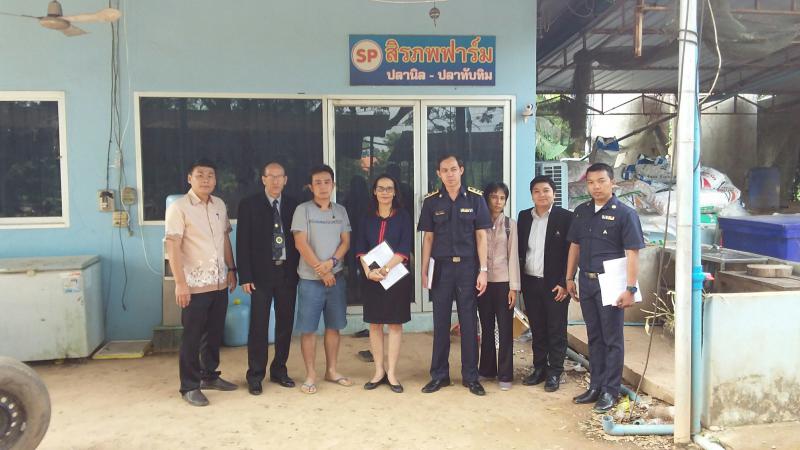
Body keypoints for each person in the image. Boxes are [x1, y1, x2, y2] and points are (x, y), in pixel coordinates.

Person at [565, 163, 645, 413]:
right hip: (586, 281)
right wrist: (569, 277)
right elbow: (575, 246)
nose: (596, 187)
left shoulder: (625, 214)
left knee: (612, 339)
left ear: (613, 183)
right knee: (594, 336)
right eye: (591, 182)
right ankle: (596, 386)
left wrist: (630, 289)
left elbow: (633, 253)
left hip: (611, 282)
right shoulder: (581, 211)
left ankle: (610, 391)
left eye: (601, 181)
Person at [164, 158, 238, 407]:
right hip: (194, 285)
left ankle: (209, 376)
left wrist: (232, 269)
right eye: (200, 175)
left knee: (214, 333)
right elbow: (172, 246)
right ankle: (189, 386)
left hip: (219, 282)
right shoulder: (179, 208)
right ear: (189, 178)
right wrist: (180, 283)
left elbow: (225, 239)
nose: (206, 180)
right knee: (192, 336)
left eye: (210, 175)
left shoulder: (219, 205)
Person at [417, 154, 492, 396]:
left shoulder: (476, 199)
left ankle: (471, 377)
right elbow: (428, 238)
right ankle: (439, 375)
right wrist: (424, 269)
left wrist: (483, 270)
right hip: (441, 268)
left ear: (461, 170)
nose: (449, 174)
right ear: (438, 174)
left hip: (468, 268)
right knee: (440, 323)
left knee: (468, 323)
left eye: (453, 169)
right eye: (444, 170)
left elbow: (481, 236)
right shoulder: (431, 202)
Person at [236, 162, 300, 395]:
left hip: (287, 274)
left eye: (279, 176)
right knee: (259, 326)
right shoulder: (249, 205)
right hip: (259, 276)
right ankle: (255, 374)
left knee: (285, 324)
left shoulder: (294, 205)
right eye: (271, 176)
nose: (275, 181)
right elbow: (242, 242)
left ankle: (279, 370)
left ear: (285, 179)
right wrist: (245, 275)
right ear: (263, 179)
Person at [291, 164, 352, 394]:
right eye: (317, 182)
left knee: (334, 327)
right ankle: (310, 375)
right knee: (308, 329)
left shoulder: (341, 211)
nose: (323, 186)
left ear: (333, 185)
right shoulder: (303, 210)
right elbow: (300, 243)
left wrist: (332, 264)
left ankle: (332, 370)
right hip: (310, 280)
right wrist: (321, 270)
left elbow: (346, 242)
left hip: (336, 279)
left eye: (327, 182)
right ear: (310, 186)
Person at [354, 174, 413, 394]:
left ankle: (392, 373)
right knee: (375, 324)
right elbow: (360, 247)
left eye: (389, 188)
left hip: (395, 277)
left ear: (395, 192)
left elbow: (404, 248)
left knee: (395, 324)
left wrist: (385, 269)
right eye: (381, 188)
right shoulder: (366, 217)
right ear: (374, 191)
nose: (385, 192)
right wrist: (369, 271)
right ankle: (379, 371)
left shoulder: (403, 216)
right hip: (372, 279)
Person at [517, 175, 574, 393]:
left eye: (546, 190)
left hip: (555, 285)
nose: (541, 195)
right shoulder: (524, 217)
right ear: (532, 195)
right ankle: (539, 368)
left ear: (554, 194)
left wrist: (565, 282)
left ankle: (555, 372)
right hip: (530, 282)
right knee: (538, 328)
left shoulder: (566, 217)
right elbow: (520, 250)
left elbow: (572, 252)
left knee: (556, 329)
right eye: (537, 191)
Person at [477, 182, 520, 391]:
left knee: (505, 329)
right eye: (494, 197)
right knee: (486, 327)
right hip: (483, 284)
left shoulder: (510, 225)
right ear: (487, 199)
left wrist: (514, 287)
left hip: (504, 284)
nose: (498, 201)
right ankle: (487, 370)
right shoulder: (478, 223)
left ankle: (505, 374)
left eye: (502, 198)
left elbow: (513, 257)